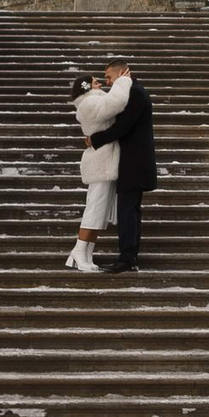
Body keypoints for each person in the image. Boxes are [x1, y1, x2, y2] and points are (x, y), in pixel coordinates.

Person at [82, 57, 155, 274]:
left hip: (134, 164)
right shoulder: (132, 92)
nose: (107, 82)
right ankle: (128, 256)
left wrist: (95, 140)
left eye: (108, 76)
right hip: (134, 163)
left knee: (127, 211)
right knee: (129, 211)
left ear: (121, 73)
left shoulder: (135, 93)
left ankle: (127, 258)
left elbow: (123, 127)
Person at [64, 71, 132, 272]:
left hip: (105, 161)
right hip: (100, 162)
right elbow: (115, 103)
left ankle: (86, 254)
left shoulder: (93, 101)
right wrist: (123, 80)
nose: (100, 83)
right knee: (94, 209)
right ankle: (78, 251)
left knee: (99, 211)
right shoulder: (88, 103)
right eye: (95, 82)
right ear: (86, 87)